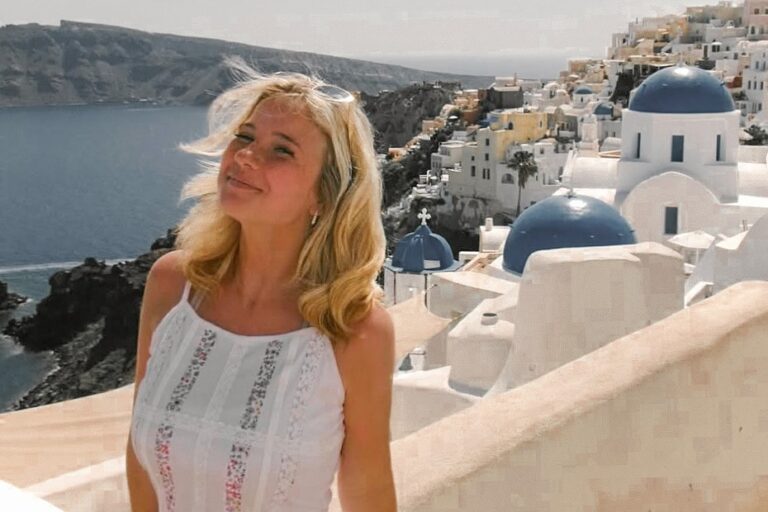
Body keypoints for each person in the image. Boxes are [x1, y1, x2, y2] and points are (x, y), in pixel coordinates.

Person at [126, 64, 397, 512]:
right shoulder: (171, 286)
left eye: (282, 151)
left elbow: (368, 491)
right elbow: (140, 463)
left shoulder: (354, 330)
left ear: (324, 196)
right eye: (246, 136)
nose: (246, 157)